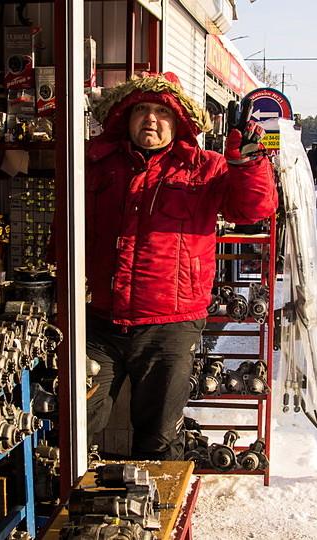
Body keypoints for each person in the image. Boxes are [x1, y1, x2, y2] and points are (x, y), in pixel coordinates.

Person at [84, 72, 276, 459]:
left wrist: (248, 164)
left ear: (179, 122)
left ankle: (152, 513)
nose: (150, 119)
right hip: (97, 322)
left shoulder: (205, 168)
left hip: (169, 327)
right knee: (77, 423)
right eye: (141, 110)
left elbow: (252, 209)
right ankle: (70, 506)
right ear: (126, 117)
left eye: (161, 112)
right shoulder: (96, 164)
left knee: (158, 437)